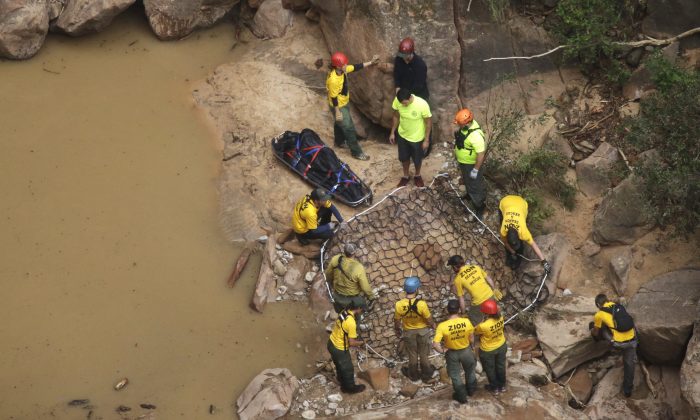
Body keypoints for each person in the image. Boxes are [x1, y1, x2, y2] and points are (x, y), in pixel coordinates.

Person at [326, 51, 379, 161]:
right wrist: (337, 111)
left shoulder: (342, 70)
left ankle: (339, 142)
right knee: (349, 128)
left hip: (344, 102)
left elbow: (355, 67)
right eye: (344, 64)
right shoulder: (333, 80)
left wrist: (371, 62)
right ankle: (356, 152)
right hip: (338, 106)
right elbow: (334, 97)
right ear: (338, 66)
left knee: (339, 123)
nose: (346, 65)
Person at [590, 294, 638, 397]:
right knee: (629, 365)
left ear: (598, 304)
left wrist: (593, 331)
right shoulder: (619, 306)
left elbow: (596, 332)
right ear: (607, 300)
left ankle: (610, 346)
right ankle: (627, 390)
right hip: (633, 340)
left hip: (618, 344)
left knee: (600, 329)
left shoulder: (599, 314)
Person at [433, 299, 477, 404]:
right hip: (466, 350)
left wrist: (442, 351)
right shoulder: (466, 322)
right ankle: (471, 390)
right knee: (470, 371)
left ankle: (461, 396)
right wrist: (472, 346)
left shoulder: (442, 326)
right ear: (458, 310)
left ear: (448, 310)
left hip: (452, 353)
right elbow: (471, 338)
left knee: (455, 375)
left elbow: (435, 344)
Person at [393, 276, 436, 382]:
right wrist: (433, 326)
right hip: (422, 332)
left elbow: (397, 321)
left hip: (408, 332)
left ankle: (414, 375)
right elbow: (429, 320)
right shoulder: (422, 304)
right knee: (423, 353)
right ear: (416, 289)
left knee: (412, 354)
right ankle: (426, 375)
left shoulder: (399, 304)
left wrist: (397, 330)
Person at [389, 88, 432, 188]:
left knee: (417, 159)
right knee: (404, 158)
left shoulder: (422, 104)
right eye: (402, 104)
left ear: (410, 98)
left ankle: (417, 175)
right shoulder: (398, 100)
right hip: (403, 135)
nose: (404, 105)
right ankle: (405, 176)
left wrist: (426, 140)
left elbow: (428, 122)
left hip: (417, 138)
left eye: (405, 103)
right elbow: (396, 116)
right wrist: (392, 132)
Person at [498, 195, 551, 271]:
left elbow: (533, 245)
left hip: (522, 204)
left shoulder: (523, 231)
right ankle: (509, 254)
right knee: (502, 219)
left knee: (523, 220)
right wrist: (512, 251)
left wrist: (544, 261)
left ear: (519, 235)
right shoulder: (503, 230)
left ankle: (518, 253)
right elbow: (505, 242)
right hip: (505, 202)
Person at [447, 255, 502, 325]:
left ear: (454, 267)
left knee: (472, 320)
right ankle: (496, 326)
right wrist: (494, 289)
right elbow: (488, 278)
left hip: (478, 302)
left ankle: (480, 333)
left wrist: (463, 313)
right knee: (493, 314)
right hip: (490, 294)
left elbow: (461, 298)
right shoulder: (475, 267)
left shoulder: (458, 279)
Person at [453, 108, 487, 220]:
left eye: (460, 124)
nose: (459, 126)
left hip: (471, 165)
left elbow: (481, 154)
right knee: (467, 180)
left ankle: (480, 206)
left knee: (475, 185)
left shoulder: (476, 136)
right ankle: (469, 195)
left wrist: (475, 170)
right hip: (464, 162)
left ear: (467, 122)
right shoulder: (466, 127)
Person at [325, 243, 377, 313]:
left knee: (340, 314)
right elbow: (365, 287)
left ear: (344, 251)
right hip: (352, 300)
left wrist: (331, 284)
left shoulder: (336, 259)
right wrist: (371, 297)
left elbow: (328, 274)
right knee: (357, 314)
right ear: (354, 253)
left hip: (337, 296)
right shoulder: (358, 267)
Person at [327, 302, 366, 394]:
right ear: (358, 308)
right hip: (339, 349)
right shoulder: (351, 322)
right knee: (348, 369)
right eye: (362, 309)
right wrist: (361, 343)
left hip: (331, 343)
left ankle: (341, 379)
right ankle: (349, 388)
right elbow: (351, 343)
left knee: (339, 365)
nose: (362, 311)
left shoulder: (344, 312)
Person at [474, 300, 507, 394]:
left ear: (485, 313)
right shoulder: (501, 318)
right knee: (500, 366)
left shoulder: (483, 326)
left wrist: (482, 320)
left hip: (488, 350)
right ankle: (502, 385)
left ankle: (495, 388)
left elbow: (475, 331)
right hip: (501, 345)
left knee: (490, 369)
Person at [393, 37, 429, 101]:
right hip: (404, 95)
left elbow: (419, 85)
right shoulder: (399, 59)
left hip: (419, 96)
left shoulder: (420, 65)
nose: (403, 57)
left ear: (411, 53)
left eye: (405, 55)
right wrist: (397, 87)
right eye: (401, 54)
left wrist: (407, 96)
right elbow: (396, 74)